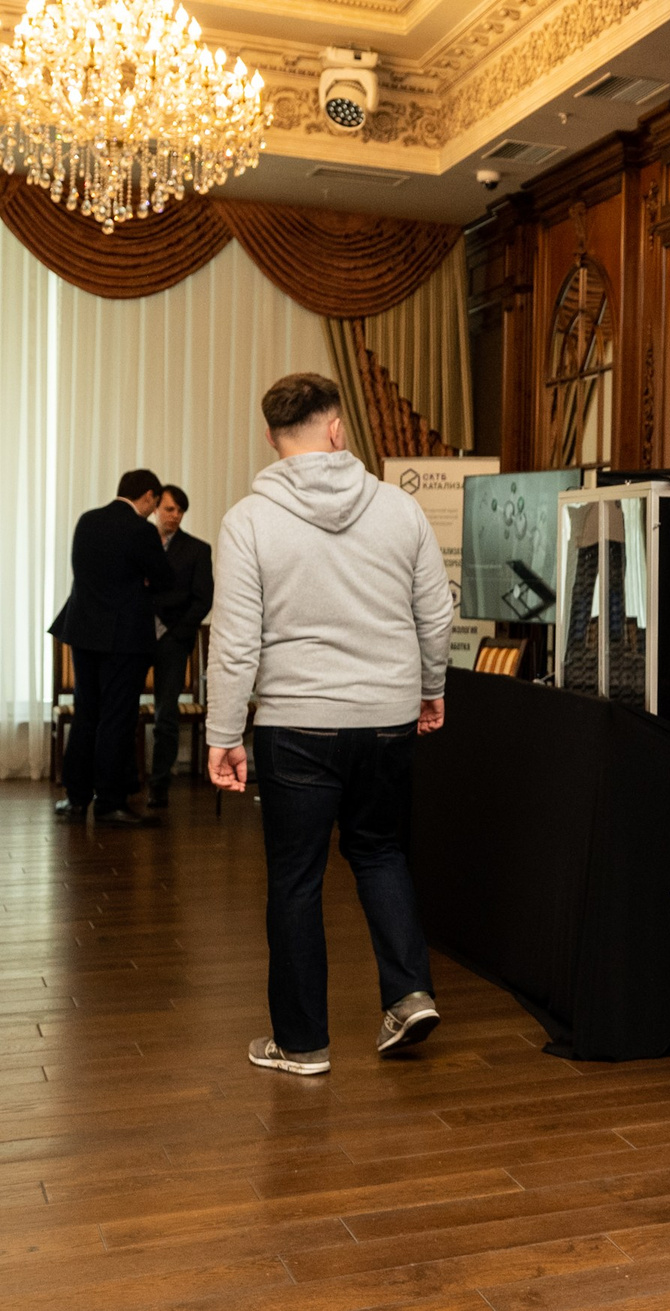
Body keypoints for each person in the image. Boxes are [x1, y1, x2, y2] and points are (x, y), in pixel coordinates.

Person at [206, 373, 452, 1077]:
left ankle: (303, 1043)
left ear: (271, 437)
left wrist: (224, 734)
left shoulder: (249, 520)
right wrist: (430, 689)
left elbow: (235, 642)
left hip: (297, 723)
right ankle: (408, 993)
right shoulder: (399, 509)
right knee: (380, 852)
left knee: (295, 879)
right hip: (387, 717)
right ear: (338, 428)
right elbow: (436, 613)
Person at [50, 469, 175, 827]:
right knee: (117, 718)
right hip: (124, 637)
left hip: (83, 631)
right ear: (148, 496)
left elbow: (83, 572)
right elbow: (164, 580)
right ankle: (109, 802)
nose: (154, 510)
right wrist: (143, 579)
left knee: (86, 714)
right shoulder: (141, 530)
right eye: (155, 503)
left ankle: (76, 799)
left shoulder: (87, 521)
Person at [147, 484, 214, 809]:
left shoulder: (197, 549)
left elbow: (203, 599)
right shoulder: (140, 542)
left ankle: (159, 786)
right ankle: (121, 782)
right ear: (156, 507)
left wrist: (177, 634)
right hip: (135, 636)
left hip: (173, 640)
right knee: (120, 711)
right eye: (170, 509)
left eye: (180, 510)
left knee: (166, 715)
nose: (175, 515)